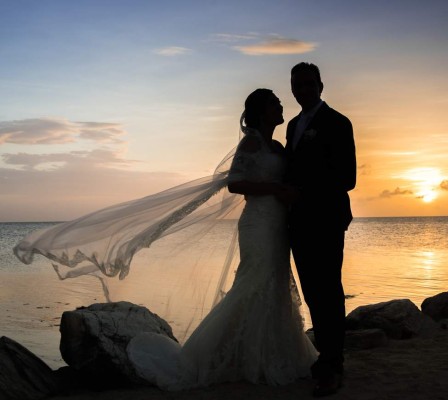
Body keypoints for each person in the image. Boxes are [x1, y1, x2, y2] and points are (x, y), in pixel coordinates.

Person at [14, 88, 317, 390]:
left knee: (275, 282)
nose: (280, 105)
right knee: (253, 283)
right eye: (274, 102)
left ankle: (272, 352)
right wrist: (275, 191)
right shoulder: (251, 142)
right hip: (257, 223)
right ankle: (224, 355)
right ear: (261, 110)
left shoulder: (278, 146)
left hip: (278, 224)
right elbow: (235, 183)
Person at [285, 62, 357, 397]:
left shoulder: (339, 123)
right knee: (313, 292)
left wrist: (305, 189)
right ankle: (324, 357)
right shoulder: (292, 126)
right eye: (297, 85)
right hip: (297, 221)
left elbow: (348, 178)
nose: (303, 90)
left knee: (329, 290)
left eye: (309, 84)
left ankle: (333, 365)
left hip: (327, 218)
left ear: (321, 85)